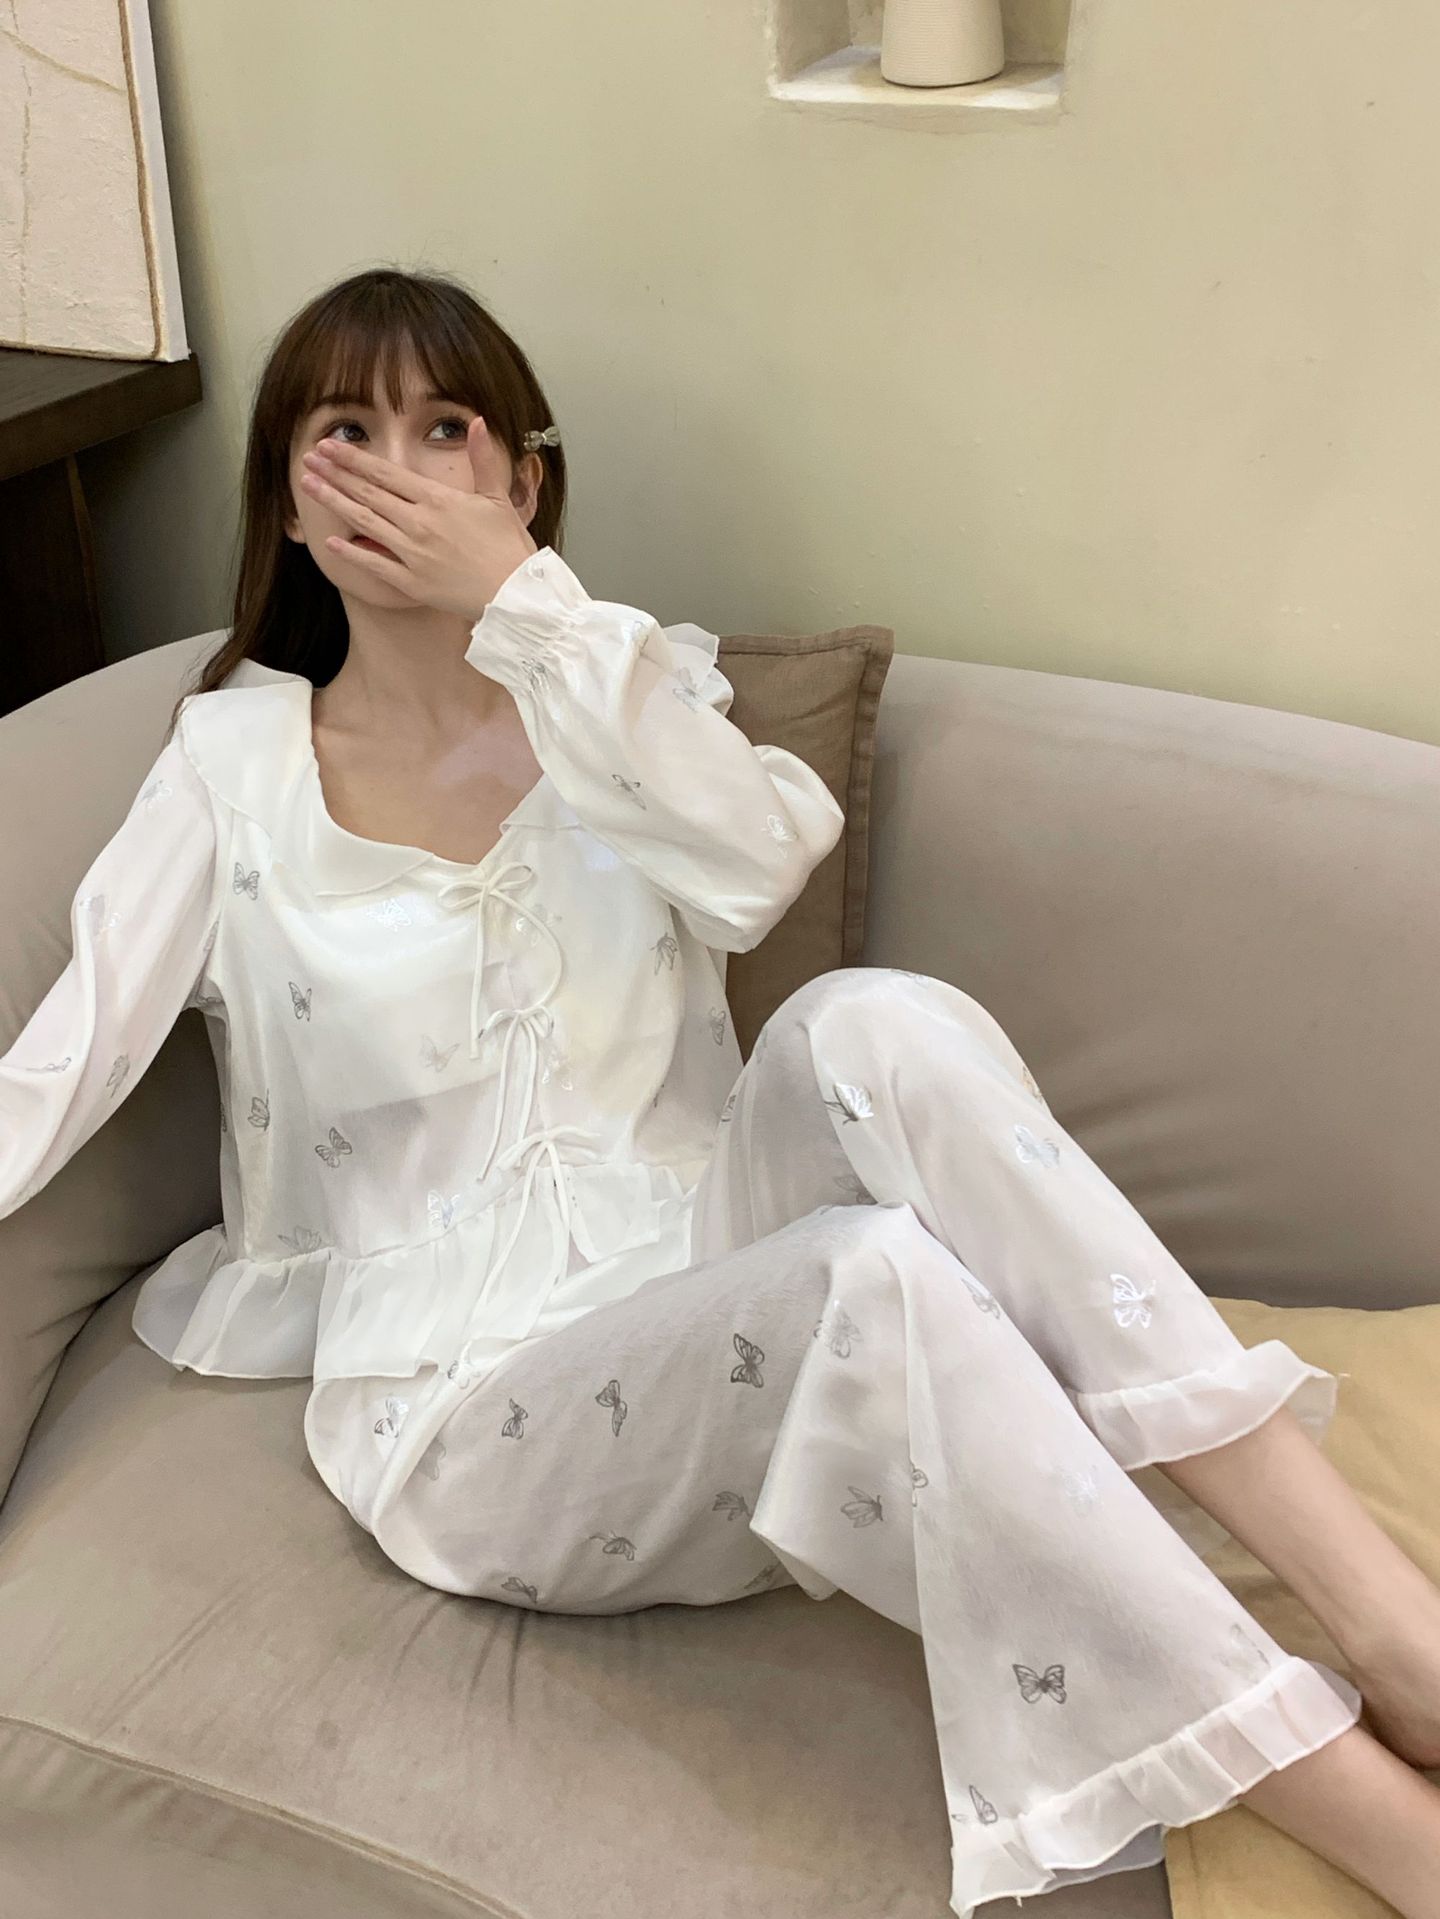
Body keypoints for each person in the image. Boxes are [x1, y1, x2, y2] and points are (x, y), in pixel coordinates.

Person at [3, 264, 1439, 1919]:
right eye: (347, 433)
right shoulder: (231, 774)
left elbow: (757, 873)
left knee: (877, 1022)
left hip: (711, 1263)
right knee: (872, 1272)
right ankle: (1384, 1831)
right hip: (474, 1415)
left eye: (447, 428)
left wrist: (530, 614)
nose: (400, 472)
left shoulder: (629, 699)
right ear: (287, 497)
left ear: (523, 478)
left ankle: (1394, 1628)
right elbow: (54, 1070)